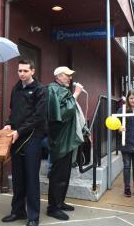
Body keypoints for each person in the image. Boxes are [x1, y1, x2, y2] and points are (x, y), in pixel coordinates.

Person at [1, 60, 47, 226]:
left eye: (25, 71)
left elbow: (38, 117)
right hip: (16, 136)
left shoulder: (40, 90)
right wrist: (9, 123)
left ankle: (33, 216)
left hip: (32, 138)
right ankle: (17, 211)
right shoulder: (16, 88)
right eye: (20, 71)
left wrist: (19, 131)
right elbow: (14, 111)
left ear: (32, 71)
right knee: (18, 177)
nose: (22, 74)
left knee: (31, 178)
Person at [46, 66, 89, 221]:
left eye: (71, 76)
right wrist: (76, 94)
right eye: (67, 75)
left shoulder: (61, 90)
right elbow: (62, 114)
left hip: (67, 139)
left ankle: (60, 202)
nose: (70, 78)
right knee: (58, 175)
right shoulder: (52, 90)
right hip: (60, 140)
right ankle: (53, 207)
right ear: (58, 76)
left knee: (65, 173)